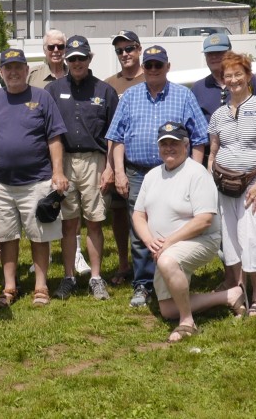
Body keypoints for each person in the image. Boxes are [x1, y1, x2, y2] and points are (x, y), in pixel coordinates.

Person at [105, 45, 208, 308]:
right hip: (138, 172)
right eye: (148, 65)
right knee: (140, 230)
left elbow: (199, 138)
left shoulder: (183, 95)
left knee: (175, 225)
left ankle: (174, 276)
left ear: (167, 67)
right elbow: (116, 137)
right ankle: (143, 284)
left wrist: (194, 172)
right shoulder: (129, 96)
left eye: (157, 65)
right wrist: (119, 171)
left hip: (176, 171)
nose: (152, 70)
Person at [132, 122, 246, 343]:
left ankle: (187, 322)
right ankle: (230, 295)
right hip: (165, 247)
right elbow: (138, 215)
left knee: (167, 261)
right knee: (166, 309)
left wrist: (168, 243)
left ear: (186, 145)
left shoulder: (197, 173)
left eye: (174, 143)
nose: (169, 148)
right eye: (164, 144)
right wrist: (149, 241)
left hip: (201, 240)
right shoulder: (152, 175)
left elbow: (204, 220)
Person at [0, 48, 68, 307]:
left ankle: (40, 286)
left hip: (37, 180)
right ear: (1, 72)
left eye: (18, 67)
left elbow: (54, 137)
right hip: (0, 182)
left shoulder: (42, 97)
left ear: (27, 70)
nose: (13, 72)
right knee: (6, 236)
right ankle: (9, 286)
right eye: (8, 68)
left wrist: (58, 172)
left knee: (39, 235)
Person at [45, 36, 118, 301]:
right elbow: (49, 133)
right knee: (68, 224)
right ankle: (69, 277)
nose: (77, 63)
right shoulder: (53, 90)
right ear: (66, 60)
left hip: (94, 161)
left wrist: (110, 168)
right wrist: (56, 169)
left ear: (90, 59)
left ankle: (96, 278)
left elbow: (114, 134)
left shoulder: (104, 90)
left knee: (95, 222)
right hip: (64, 161)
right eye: (72, 58)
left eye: (81, 58)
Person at [207, 51, 256, 317]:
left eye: (238, 74)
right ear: (223, 80)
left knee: (253, 238)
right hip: (225, 185)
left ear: (248, 76)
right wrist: (211, 177)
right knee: (231, 239)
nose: (233, 79)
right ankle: (238, 291)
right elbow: (214, 150)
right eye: (228, 75)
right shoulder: (218, 114)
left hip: (253, 185)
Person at [102, 29, 145, 286]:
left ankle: (151, 261)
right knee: (119, 215)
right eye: (120, 50)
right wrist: (110, 166)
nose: (125, 54)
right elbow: (108, 127)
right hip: (119, 159)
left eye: (129, 48)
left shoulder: (151, 75)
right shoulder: (110, 84)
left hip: (146, 160)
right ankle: (123, 263)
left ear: (138, 49)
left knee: (148, 213)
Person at [190, 32, 256, 124]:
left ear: (229, 53)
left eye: (219, 53)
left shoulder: (248, 80)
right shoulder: (198, 88)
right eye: (210, 53)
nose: (214, 56)